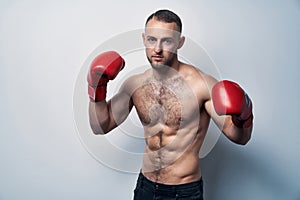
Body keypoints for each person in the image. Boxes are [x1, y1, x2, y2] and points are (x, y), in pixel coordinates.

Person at [87, 9, 253, 200]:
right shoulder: (134, 85)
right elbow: (100, 126)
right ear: (144, 39)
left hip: (183, 192)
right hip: (145, 187)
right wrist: (96, 90)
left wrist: (244, 116)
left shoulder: (201, 85)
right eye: (151, 39)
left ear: (179, 42)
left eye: (166, 41)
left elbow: (240, 137)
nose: (157, 48)